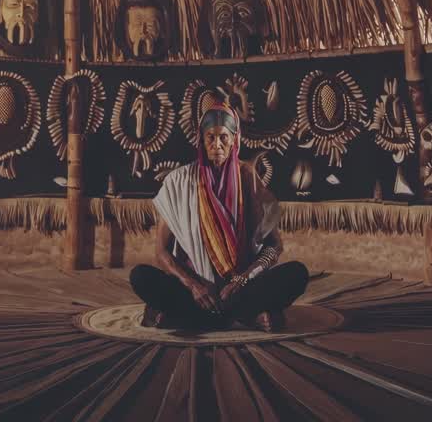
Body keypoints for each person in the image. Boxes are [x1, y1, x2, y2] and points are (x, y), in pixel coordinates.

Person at [130, 98, 308, 332]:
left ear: (234, 139)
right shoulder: (179, 182)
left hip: (241, 289)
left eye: (224, 137)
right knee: (141, 276)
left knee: (297, 274)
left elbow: (274, 246)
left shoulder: (248, 178)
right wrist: (193, 285)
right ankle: (247, 317)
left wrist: (242, 279)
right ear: (201, 141)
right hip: (197, 293)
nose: (217, 144)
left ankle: (189, 318)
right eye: (210, 137)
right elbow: (162, 252)